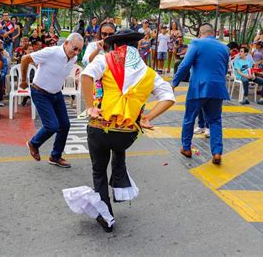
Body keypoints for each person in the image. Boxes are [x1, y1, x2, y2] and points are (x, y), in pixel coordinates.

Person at [79, 29, 175, 232]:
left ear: (114, 46)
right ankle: (120, 181)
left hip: (100, 130)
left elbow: (86, 75)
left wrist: (90, 107)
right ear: (137, 47)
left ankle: (106, 216)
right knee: (118, 146)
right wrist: (148, 117)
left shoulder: (105, 60)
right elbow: (169, 96)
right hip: (127, 135)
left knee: (98, 171)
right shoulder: (148, 71)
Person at [21, 33, 83, 168]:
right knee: (52, 126)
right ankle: (33, 143)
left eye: (79, 50)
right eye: (74, 48)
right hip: (40, 92)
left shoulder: (73, 58)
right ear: (66, 43)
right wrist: (23, 80)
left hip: (56, 94)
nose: (76, 52)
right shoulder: (51, 52)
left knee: (65, 125)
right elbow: (25, 59)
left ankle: (55, 156)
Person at [172, 23, 229, 165]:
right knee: (215, 120)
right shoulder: (224, 48)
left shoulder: (196, 44)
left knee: (189, 118)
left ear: (200, 33)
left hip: (199, 88)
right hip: (218, 88)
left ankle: (186, 148)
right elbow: (225, 68)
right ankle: (216, 152)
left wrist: (174, 82)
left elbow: (185, 65)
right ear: (213, 33)